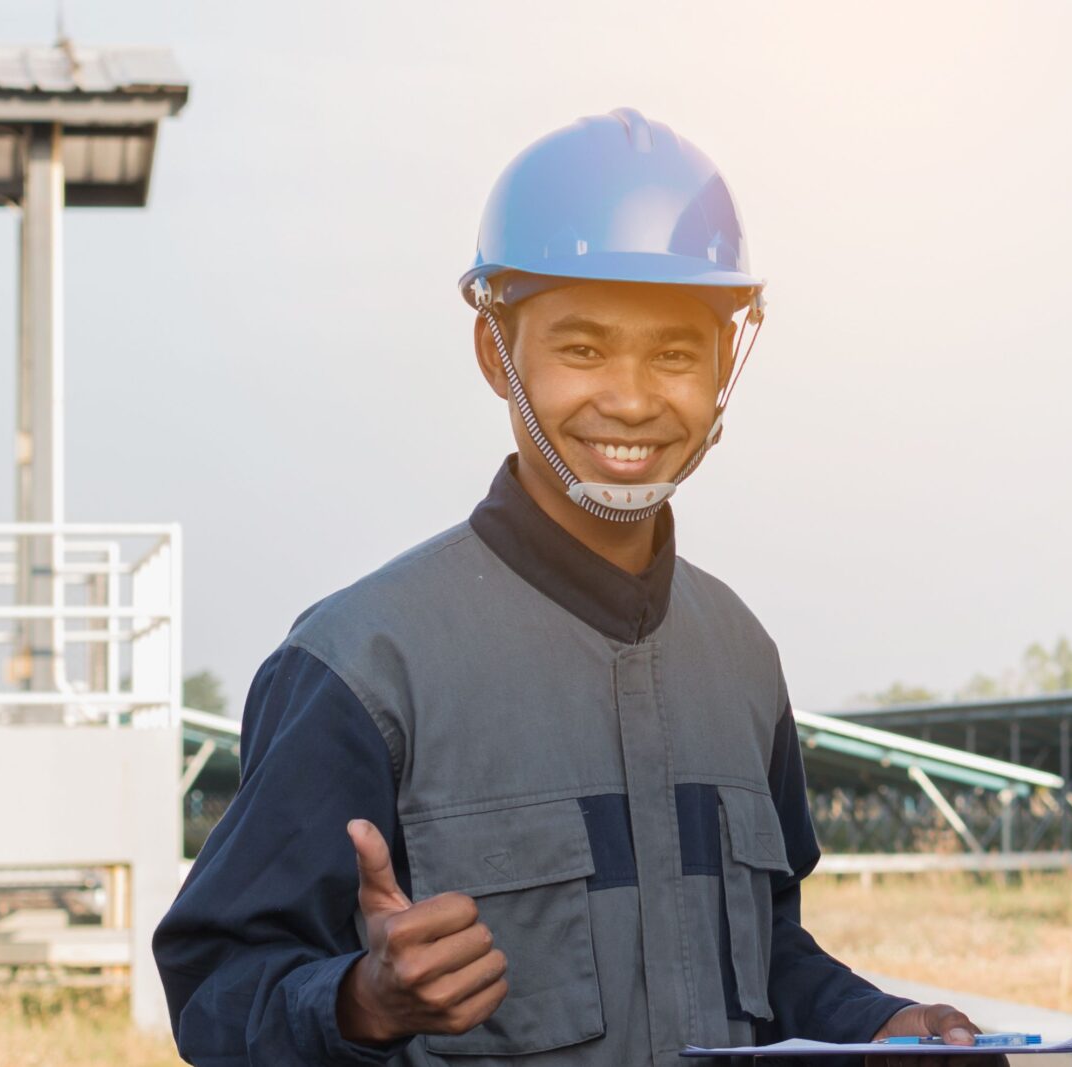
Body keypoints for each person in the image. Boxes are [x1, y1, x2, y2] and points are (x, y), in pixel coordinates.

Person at [154, 109, 998, 1066]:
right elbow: (216, 985)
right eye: (584, 348)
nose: (633, 399)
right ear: (495, 355)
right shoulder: (361, 664)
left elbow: (763, 955)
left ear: (727, 365)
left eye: (676, 352)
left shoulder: (742, 656)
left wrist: (876, 1022)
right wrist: (358, 1000)